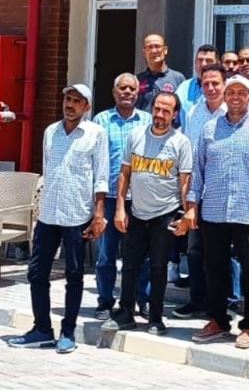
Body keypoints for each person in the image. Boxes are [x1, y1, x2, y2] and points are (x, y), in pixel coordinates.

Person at [181, 75, 249, 349]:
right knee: (214, 268)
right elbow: (198, 169)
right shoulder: (209, 129)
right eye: (231, 92)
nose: (235, 97)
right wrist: (192, 205)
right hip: (214, 210)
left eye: (241, 92)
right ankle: (218, 320)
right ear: (225, 97)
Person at [7, 84, 109, 354]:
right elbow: (48, 168)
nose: (70, 105)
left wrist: (99, 214)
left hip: (77, 215)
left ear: (86, 107)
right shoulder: (51, 131)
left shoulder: (96, 134)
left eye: (77, 101)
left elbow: (101, 177)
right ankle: (41, 329)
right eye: (67, 99)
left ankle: (68, 332)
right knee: (36, 272)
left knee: (74, 275)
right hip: (49, 213)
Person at [100, 91, 192, 336]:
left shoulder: (180, 142)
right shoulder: (136, 135)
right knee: (130, 265)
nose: (160, 114)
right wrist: (120, 208)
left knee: (159, 268)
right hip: (137, 212)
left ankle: (156, 318)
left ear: (174, 115)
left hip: (165, 212)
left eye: (166, 111)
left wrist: (187, 214)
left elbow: (185, 182)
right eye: (157, 109)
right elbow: (124, 174)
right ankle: (125, 314)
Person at [173, 64, 241, 319]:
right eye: (206, 84)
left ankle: (230, 301)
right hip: (197, 189)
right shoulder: (195, 112)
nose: (211, 88)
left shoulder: (234, 111)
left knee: (227, 251)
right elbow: (190, 153)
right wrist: (187, 191)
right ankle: (198, 300)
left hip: (226, 190)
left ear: (224, 84)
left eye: (216, 83)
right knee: (194, 249)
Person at [92, 73, 152, 321]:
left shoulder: (147, 120)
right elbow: (95, 159)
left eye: (132, 89)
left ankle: (142, 299)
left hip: (140, 198)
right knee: (106, 254)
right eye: (122, 88)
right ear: (114, 92)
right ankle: (105, 301)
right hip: (108, 197)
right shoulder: (101, 120)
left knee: (141, 255)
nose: (127, 92)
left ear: (138, 93)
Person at [136, 34, 185, 112]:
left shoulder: (178, 78)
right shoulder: (137, 80)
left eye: (157, 46)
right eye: (150, 47)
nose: (154, 50)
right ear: (144, 52)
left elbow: (182, 108)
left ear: (165, 50)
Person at [176, 44, 220, 130]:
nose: (203, 64)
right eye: (199, 60)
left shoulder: (226, 88)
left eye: (208, 60)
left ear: (218, 64)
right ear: (195, 63)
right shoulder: (184, 88)